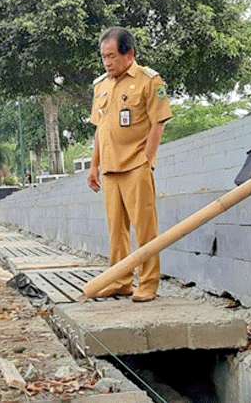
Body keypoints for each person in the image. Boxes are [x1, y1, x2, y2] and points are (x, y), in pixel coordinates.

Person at [87, 27, 173, 303]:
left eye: (112, 56)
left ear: (130, 54)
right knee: (116, 231)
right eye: (104, 57)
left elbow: (159, 121)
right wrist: (94, 165)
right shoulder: (101, 85)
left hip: (136, 164)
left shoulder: (151, 81)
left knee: (145, 228)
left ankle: (148, 283)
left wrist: (147, 159)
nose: (107, 62)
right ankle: (121, 280)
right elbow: (101, 128)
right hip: (110, 168)